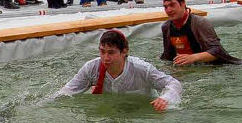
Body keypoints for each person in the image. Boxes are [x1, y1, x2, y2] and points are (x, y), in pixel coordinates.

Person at [52, 29, 181, 111]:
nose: (105, 58)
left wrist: (165, 99)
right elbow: (67, 91)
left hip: (142, 110)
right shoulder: (91, 68)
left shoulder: (143, 69)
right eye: (102, 52)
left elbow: (174, 83)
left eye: (111, 53)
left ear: (124, 52)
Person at [160, 0, 242, 65]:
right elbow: (168, 57)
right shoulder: (166, 27)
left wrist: (193, 58)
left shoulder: (200, 23)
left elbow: (218, 51)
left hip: (217, 68)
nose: (169, 10)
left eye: (172, 5)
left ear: (183, 4)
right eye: (165, 7)